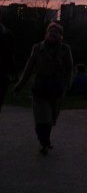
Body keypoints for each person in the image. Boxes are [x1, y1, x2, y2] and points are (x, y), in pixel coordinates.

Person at [13, 22, 75, 155]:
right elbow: (28, 68)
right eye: (50, 31)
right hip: (40, 87)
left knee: (51, 119)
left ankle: (46, 140)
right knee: (42, 119)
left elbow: (70, 69)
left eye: (56, 32)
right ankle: (44, 142)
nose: (53, 34)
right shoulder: (37, 48)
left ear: (60, 35)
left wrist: (67, 84)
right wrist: (19, 85)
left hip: (57, 88)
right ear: (46, 34)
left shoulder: (65, 49)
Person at [0, 16, 15, 112]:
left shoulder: (7, 35)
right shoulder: (7, 34)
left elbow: (10, 55)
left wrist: (10, 73)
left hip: (2, 76)